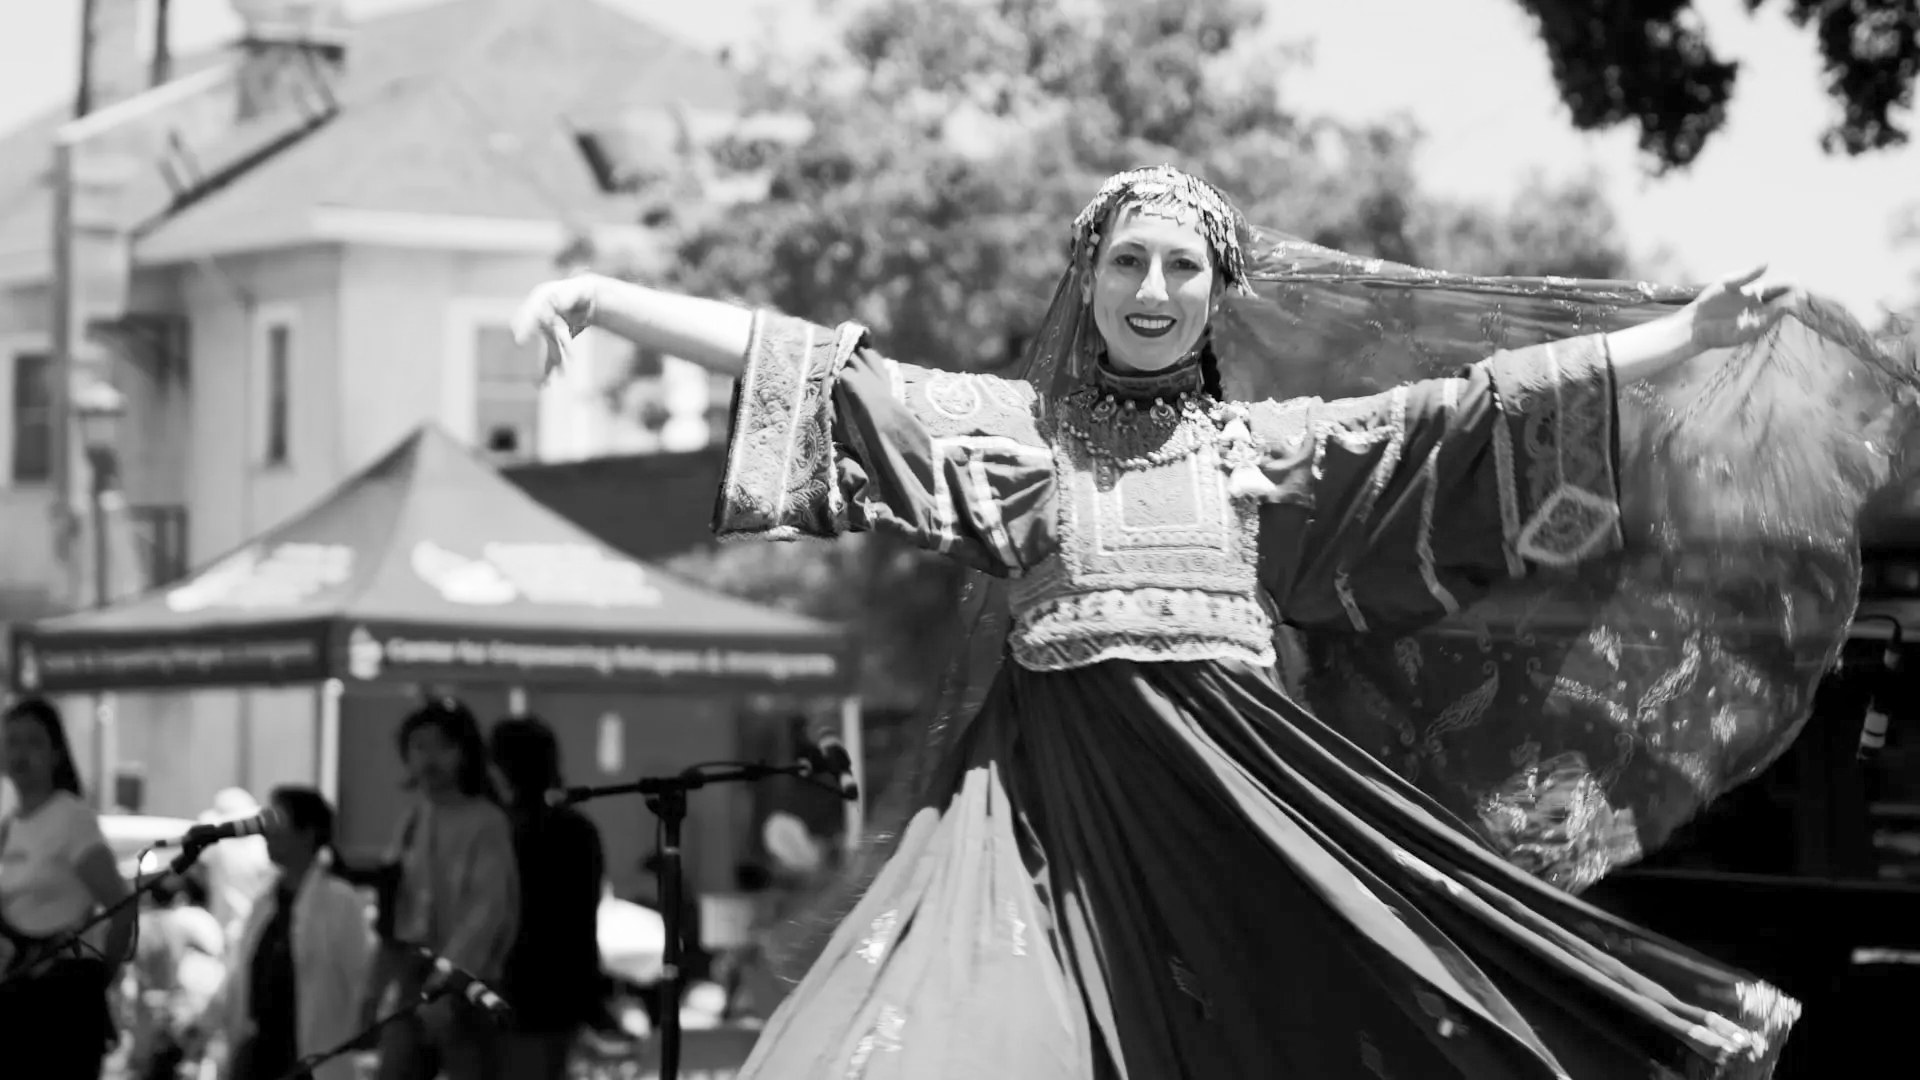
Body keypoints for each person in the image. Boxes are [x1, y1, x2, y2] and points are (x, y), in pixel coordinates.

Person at [513, 165, 1911, 1078]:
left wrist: (1688, 336)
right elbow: (817, 370)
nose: (1155, 289)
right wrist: (604, 299)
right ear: (1091, 277)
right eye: (1130, 264)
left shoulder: (1273, 451)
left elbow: (1495, 399)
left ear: (1214, 294)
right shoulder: (1010, 432)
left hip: (1245, 824)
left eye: (1183, 269)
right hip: (1040, 825)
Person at [362, 698, 518, 1080]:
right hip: (413, 980)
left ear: (465, 752)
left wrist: (446, 986)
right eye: (418, 747)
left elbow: (486, 915)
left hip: (468, 983)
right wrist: (373, 989)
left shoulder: (487, 822)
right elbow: (393, 911)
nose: (429, 759)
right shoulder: (412, 820)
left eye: (442, 746)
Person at [0, 697, 136, 1080]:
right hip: (16, 1004)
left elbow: (122, 907)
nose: (19, 753)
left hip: (63, 1006)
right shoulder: (10, 826)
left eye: (33, 742)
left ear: (56, 753)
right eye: (11, 741)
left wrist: (98, 977)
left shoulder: (72, 819)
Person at [203, 786, 372, 1080]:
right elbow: (238, 976)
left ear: (308, 832)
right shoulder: (264, 902)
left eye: (278, 822)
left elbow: (361, 981)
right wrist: (204, 1024)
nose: (267, 833)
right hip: (260, 1058)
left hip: (313, 1062)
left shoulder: (340, 901)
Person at [489, 715, 608, 1080]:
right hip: (560, 996)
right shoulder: (577, 828)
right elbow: (584, 921)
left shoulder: (504, 831)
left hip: (517, 994)